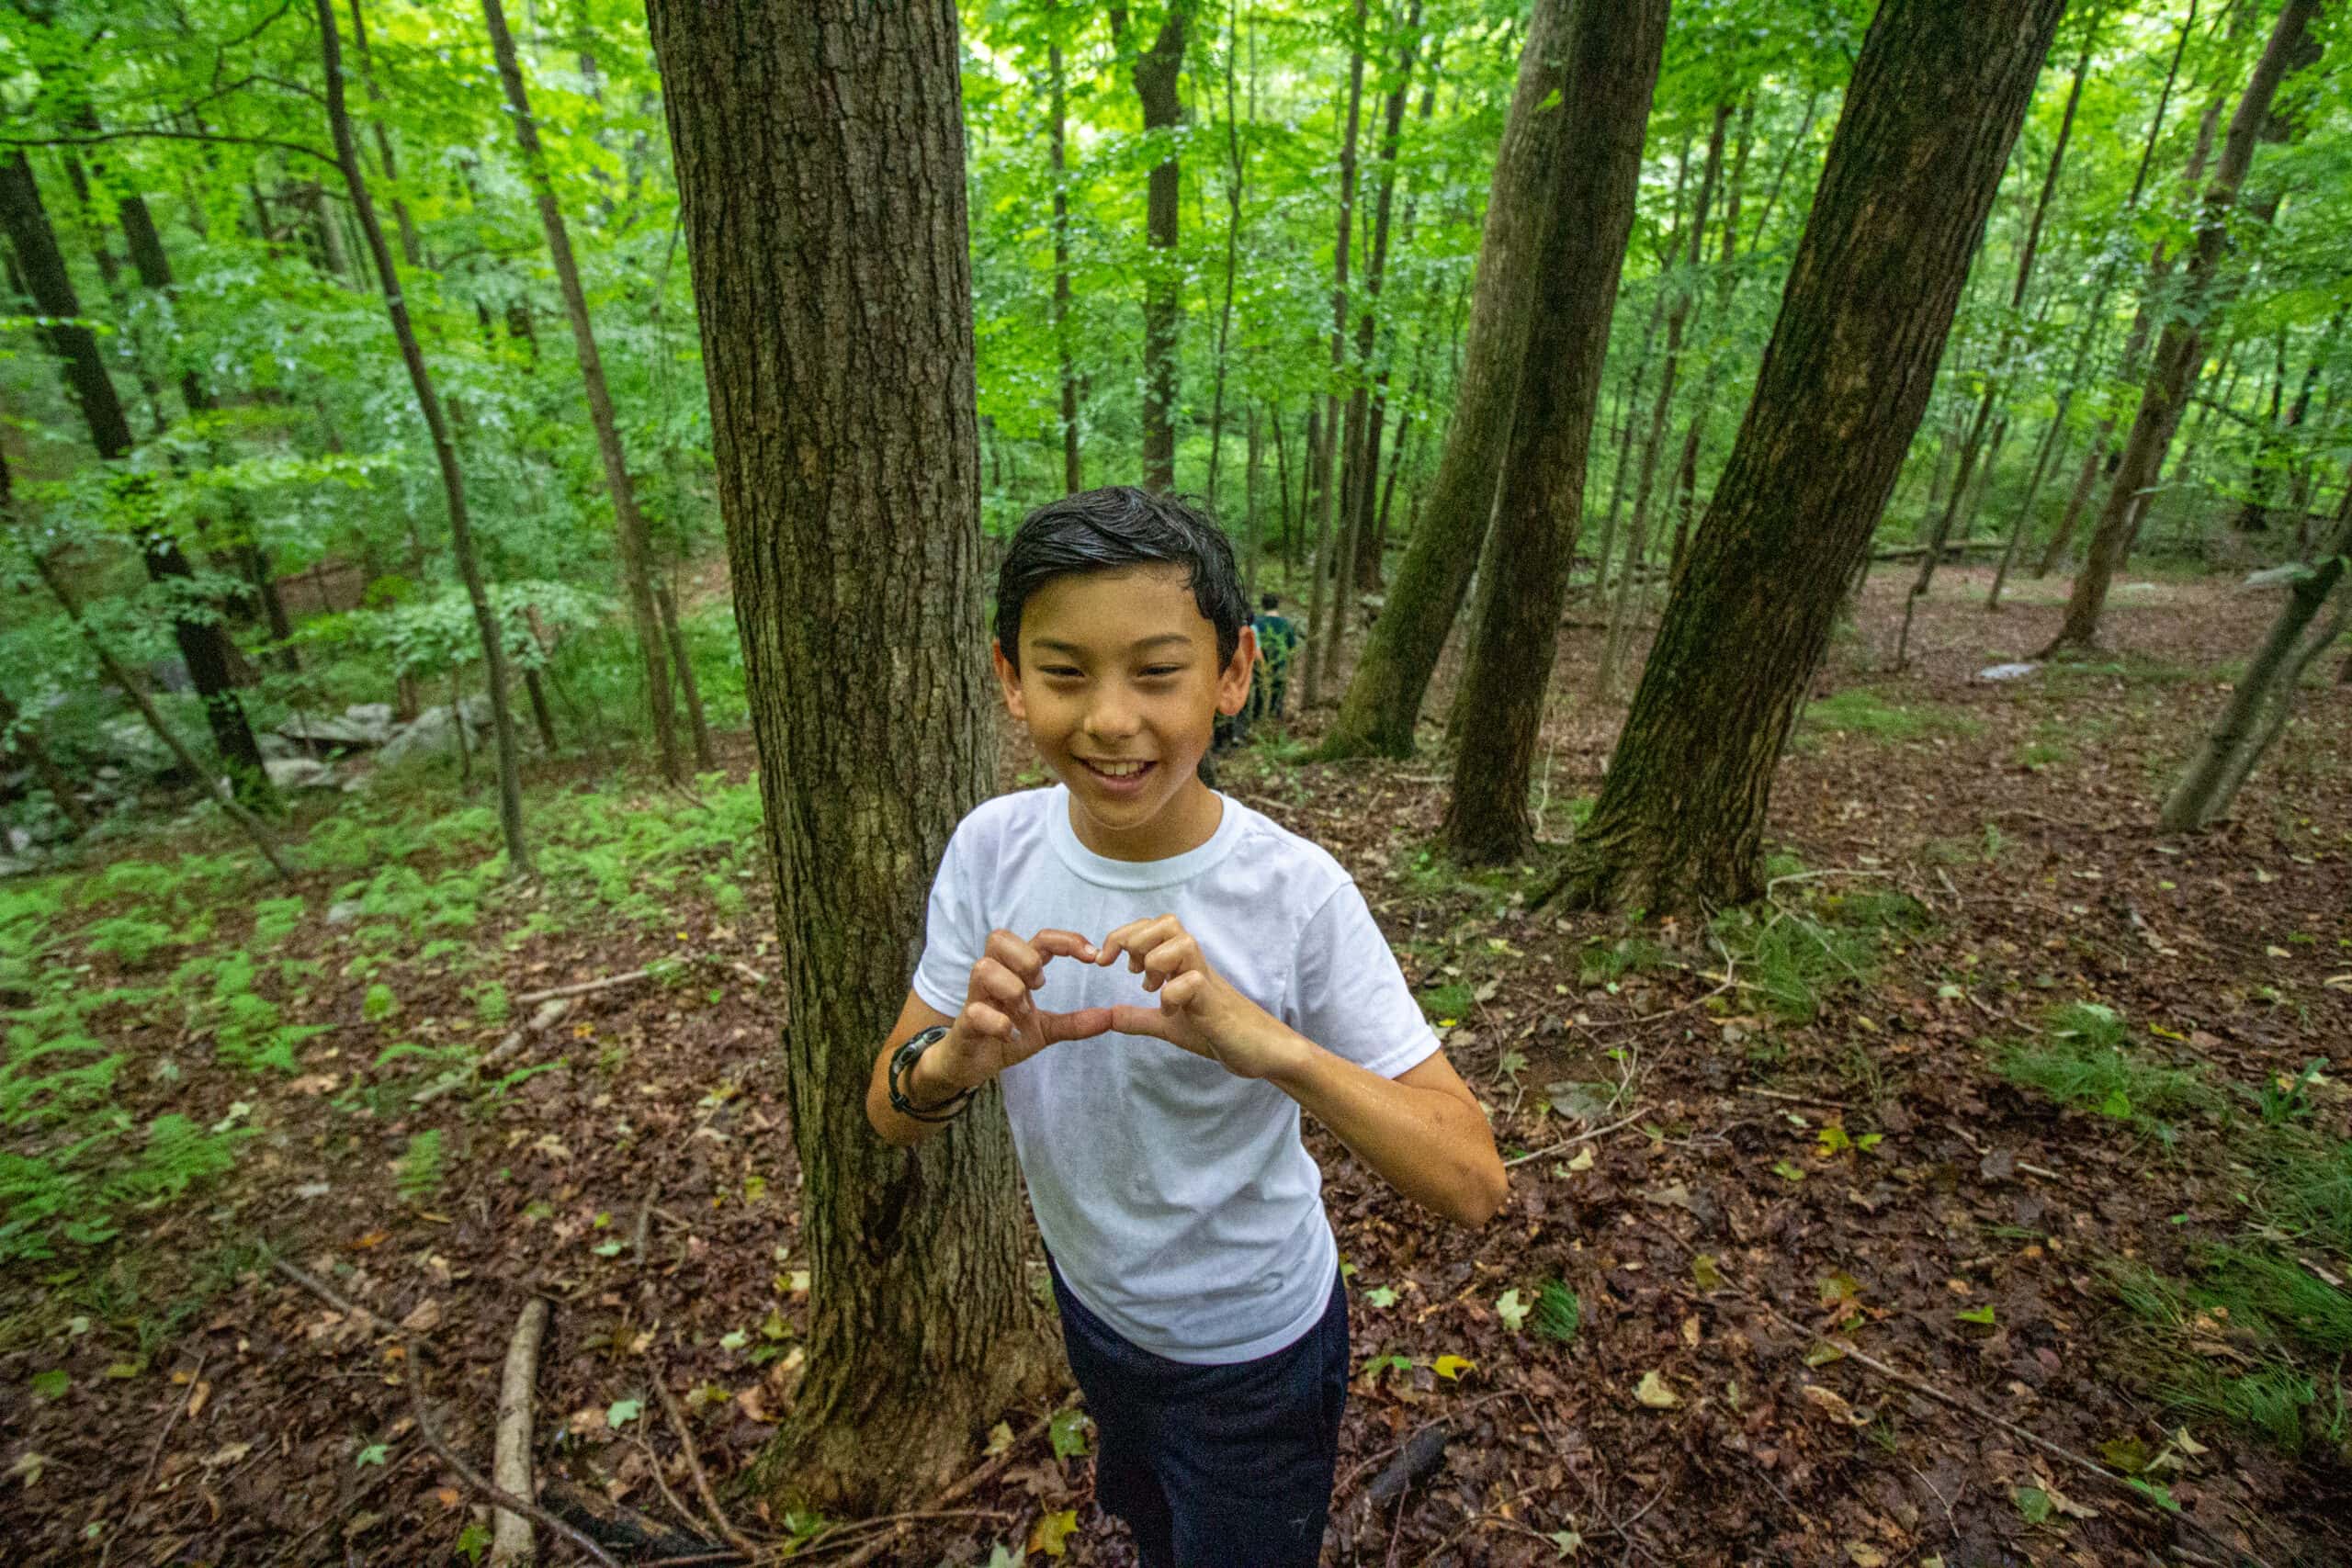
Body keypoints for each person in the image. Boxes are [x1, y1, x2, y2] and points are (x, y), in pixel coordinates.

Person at [865, 487, 1507, 1568]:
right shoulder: (989, 850)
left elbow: (1474, 1180)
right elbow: (891, 1108)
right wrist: (953, 1063)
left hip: (1256, 1358)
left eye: (1158, 673)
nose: (1112, 720)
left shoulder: (1294, 892)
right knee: (1153, 1527)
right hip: (1094, 1313)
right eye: (1066, 673)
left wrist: (1277, 1050)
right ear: (1010, 678)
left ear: (1232, 671)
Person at [1250, 592, 1296, 724]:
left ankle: (1257, 719)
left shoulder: (1257, 622)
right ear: (1277, 605)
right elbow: (1292, 646)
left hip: (1260, 663)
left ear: (1263, 605)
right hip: (1280, 662)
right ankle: (1275, 719)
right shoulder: (1285, 624)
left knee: (1260, 691)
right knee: (1278, 693)